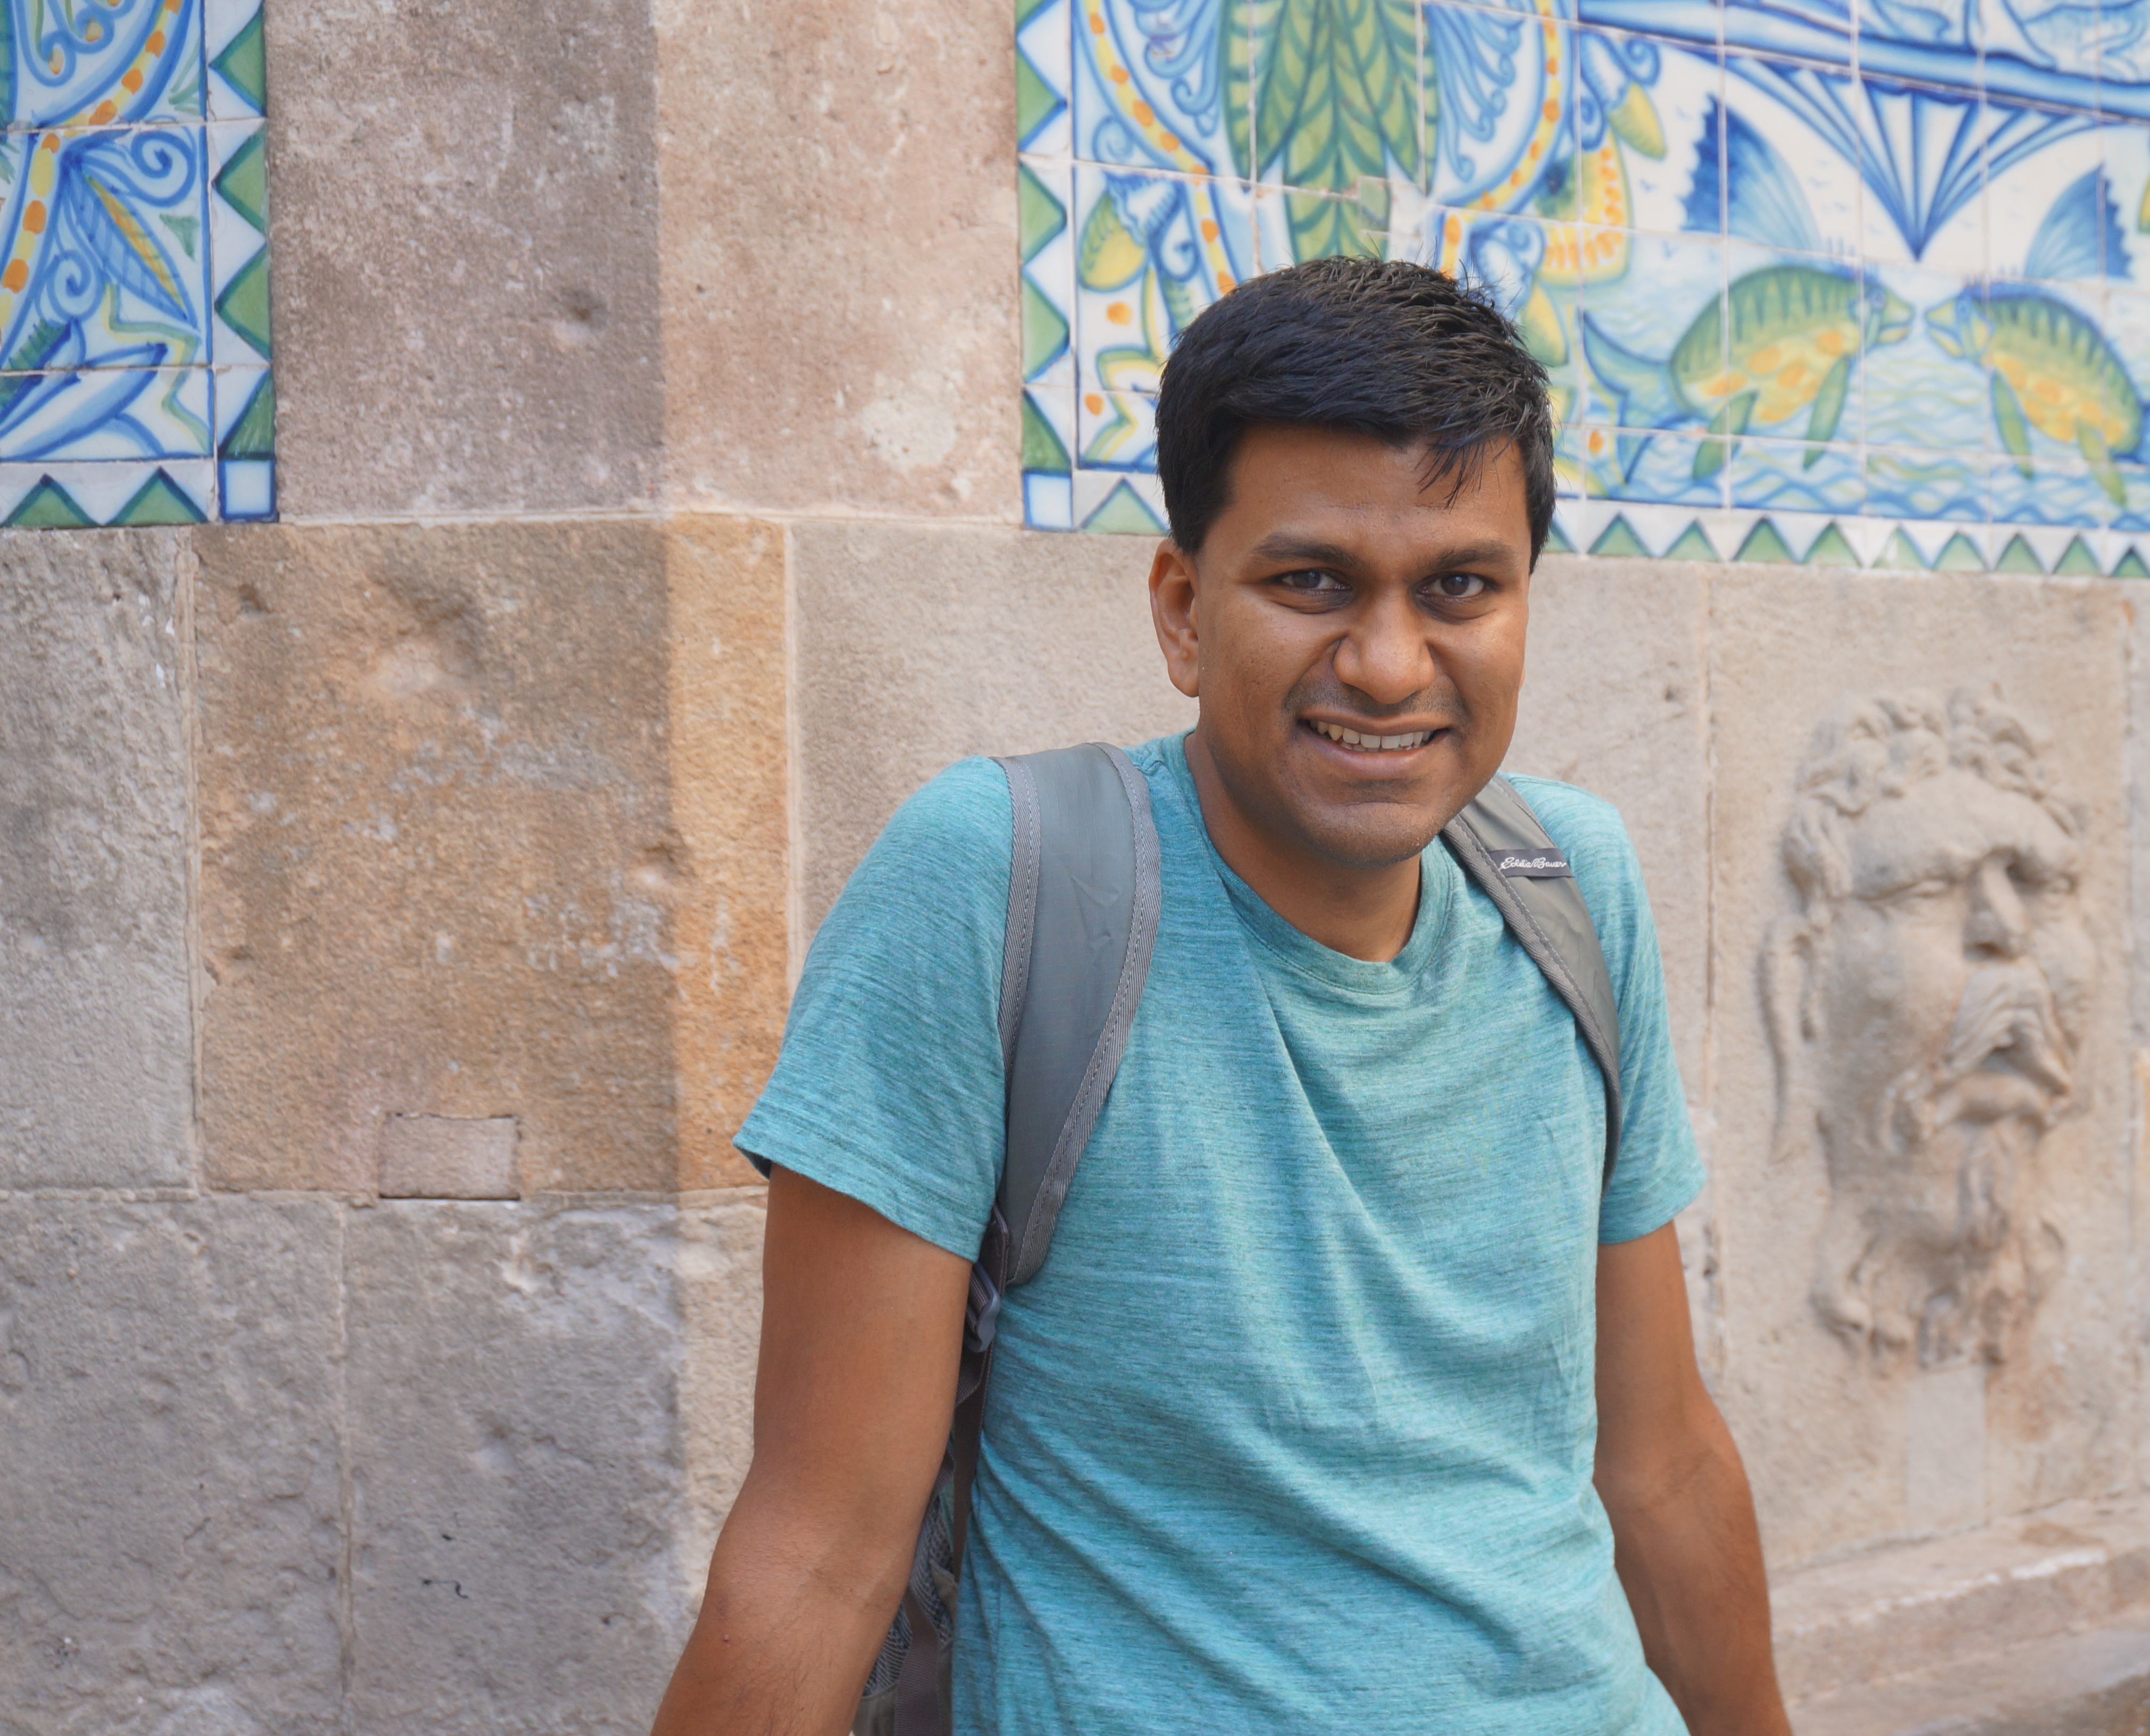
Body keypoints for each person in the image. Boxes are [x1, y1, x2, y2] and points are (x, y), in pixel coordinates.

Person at [651, 256, 1794, 1736]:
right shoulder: (1000, 882)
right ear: (1185, 611)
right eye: (1312, 582)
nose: (1387, 665)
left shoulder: (1570, 886)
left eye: (1459, 587)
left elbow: (1662, 1463)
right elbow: (818, 1552)